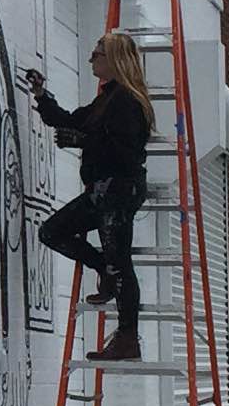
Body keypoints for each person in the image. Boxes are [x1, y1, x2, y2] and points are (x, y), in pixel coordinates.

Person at [24, 32, 157, 362]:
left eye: (97, 54)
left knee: (120, 262)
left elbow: (125, 154)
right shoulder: (107, 99)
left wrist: (83, 140)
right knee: (52, 232)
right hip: (102, 191)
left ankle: (128, 339)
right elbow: (71, 120)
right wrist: (42, 95)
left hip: (118, 191)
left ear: (114, 59)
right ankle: (104, 270)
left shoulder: (127, 101)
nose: (91, 59)